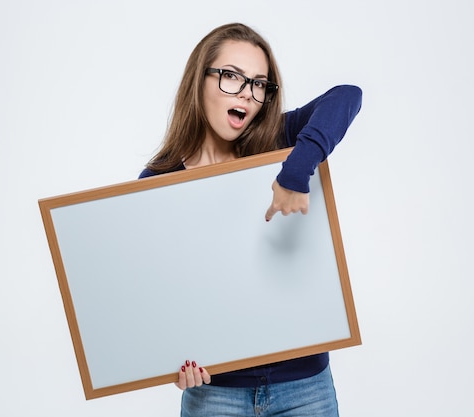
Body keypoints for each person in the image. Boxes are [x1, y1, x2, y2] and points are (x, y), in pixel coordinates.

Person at [139, 22, 362, 417]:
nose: (247, 92)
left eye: (259, 83)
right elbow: (157, 293)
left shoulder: (281, 140)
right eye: (231, 76)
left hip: (306, 389)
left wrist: (296, 169)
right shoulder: (159, 182)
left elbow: (347, 96)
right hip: (215, 396)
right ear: (199, 80)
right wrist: (168, 360)